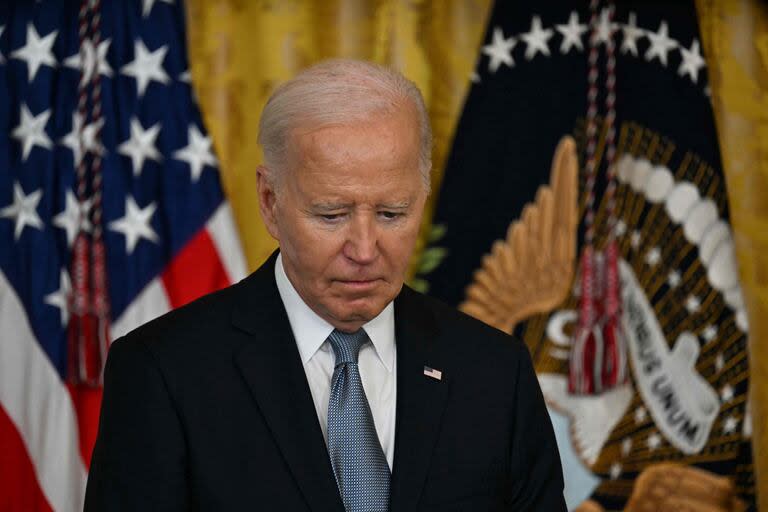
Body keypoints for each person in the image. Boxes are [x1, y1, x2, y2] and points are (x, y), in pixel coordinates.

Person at [85, 59, 566, 511]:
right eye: (331, 215)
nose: (363, 248)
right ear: (270, 202)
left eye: (391, 214)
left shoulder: (496, 373)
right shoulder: (163, 372)